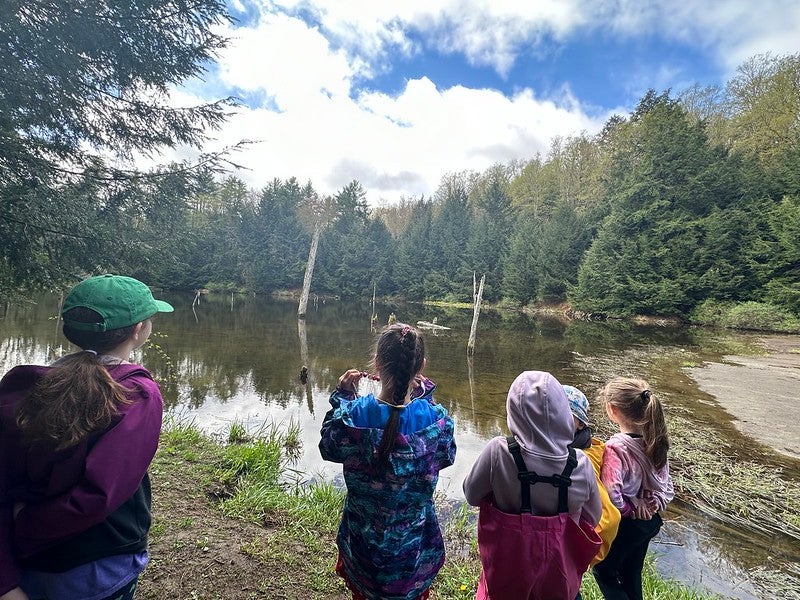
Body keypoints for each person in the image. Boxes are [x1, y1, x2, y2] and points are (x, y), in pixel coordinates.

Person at [0, 274, 173, 600]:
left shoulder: (24, 386)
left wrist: (10, 561)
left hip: (29, 564)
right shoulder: (137, 394)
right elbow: (99, 495)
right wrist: (29, 527)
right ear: (139, 331)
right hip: (98, 566)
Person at [319, 323, 456, 600]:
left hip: (363, 547)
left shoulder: (354, 415)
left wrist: (342, 397)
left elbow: (328, 446)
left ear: (378, 364)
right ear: (421, 366)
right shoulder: (437, 421)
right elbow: (447, 455)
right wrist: (424, 394)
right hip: (413, 552)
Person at [463, 371, 602, 600]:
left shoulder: (498, 452)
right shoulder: (580, 464)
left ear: (514, 410)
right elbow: (593, 518)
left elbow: (471, 495)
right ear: (563, 412)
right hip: (558, 582)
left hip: (507, 576)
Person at [592, 377, 674, 600]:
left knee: (603, 571)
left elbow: (612, 494)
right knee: (631, 572)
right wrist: (652, 505)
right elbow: (667, 486)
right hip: (650, 522)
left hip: (626, 525)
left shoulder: (615, 448)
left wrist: (630, 508)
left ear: (612, 410)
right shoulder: (656, 441)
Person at [563, 385, 621, 595]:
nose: (557, 418)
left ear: (580, 424)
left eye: (566, 414)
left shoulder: (580, 460)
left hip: (567, 563)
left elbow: (608, 519)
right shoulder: (591, 447)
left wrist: (576, 558)